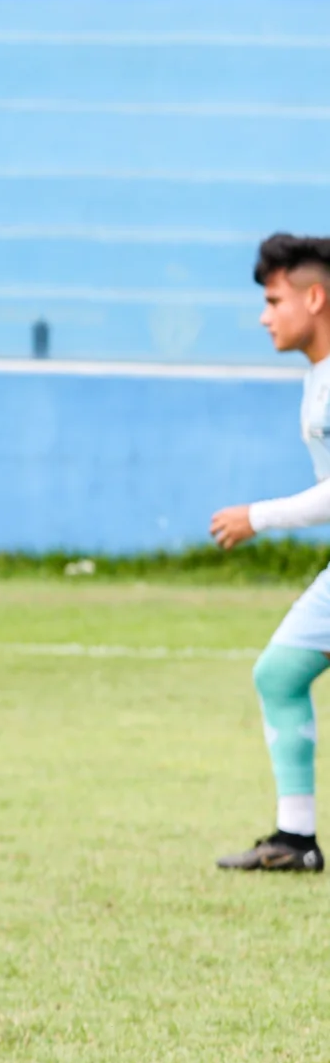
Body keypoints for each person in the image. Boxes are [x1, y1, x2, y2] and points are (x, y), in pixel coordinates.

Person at [212, 232, 330, 872]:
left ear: (314, 298)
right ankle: (296, 839)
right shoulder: (318, 379)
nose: (264, 316)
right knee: (279, 672)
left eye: (274, 299)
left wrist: (258, 516)